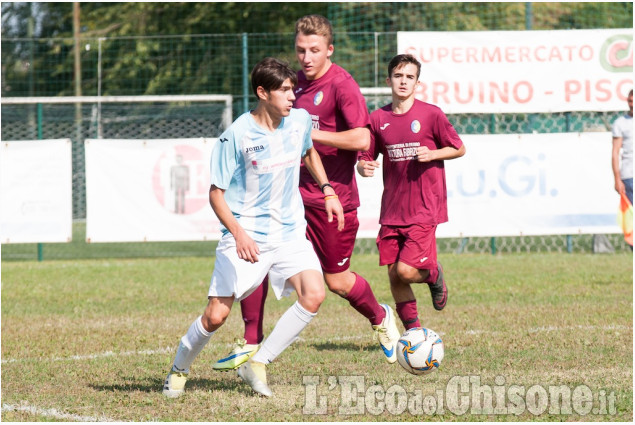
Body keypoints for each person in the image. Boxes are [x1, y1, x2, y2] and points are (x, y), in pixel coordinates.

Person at [212, 14, 400, 372]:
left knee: (337, 281)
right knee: (257, 260)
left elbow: (362, 138)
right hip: (287, 200)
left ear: (329, 49)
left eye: (314, 50)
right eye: (301, 50)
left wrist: (307, 137)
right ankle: (251, 342)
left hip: (332, 201)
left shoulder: (342, 85)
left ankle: (381, 318)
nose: (306, 57)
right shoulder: (291, 86)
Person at [162, 57, 345, 398]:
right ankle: (178, 369)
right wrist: (239, 234)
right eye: (285, 91)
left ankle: (258, 362)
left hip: (290, 232)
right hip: (247, 235)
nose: (294, 97)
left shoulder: (300, 120)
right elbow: (216, 195)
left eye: (294, 89)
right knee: (216, 316)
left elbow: (308, 152)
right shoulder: (237, 135)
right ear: (263, 92)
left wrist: (327, 189)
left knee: (315, 294)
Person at [356, 54, 465, 331]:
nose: (403, 81)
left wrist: (433, 153)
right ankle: (414, 335)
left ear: (417, 83)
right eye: (398, 76)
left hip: (424, 208)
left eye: (409, 77)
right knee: (395, 275)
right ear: (388, 80)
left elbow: (458, 147)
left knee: (406, 270)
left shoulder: (431, 114)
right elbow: (364, 156)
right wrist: (362, 167)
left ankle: (433, 273)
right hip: (392, 209)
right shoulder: (378, 118)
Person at [612, 89, 633, 206]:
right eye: (630, 101)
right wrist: (617, 179)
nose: (632, 105)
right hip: (629, 176)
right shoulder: (620, 123)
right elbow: (615, 152)